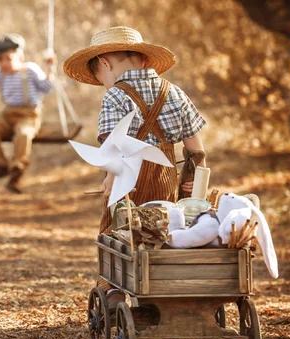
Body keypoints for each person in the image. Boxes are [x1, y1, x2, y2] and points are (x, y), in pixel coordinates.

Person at [64, 26, 207, 234]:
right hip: (165, 181)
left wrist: (110, 181)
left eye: (101, 79)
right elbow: (197, 151)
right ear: (144, 60)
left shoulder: (114, 96)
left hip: (127, 184)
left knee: (121, 233)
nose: (104, 85)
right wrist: (197, 180)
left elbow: (112, 148)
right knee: (163, 230)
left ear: (105, 63)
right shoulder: (175, 92)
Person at [0, 34, 54, 194]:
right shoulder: (0, 73)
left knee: (23, 134)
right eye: (0, 60)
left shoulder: (31, 70)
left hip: (29, 114)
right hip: (7, 113)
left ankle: (16, 171)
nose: (4, 63)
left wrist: (50, 68)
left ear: (19, 56)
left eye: (8, 58)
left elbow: (46, 88)